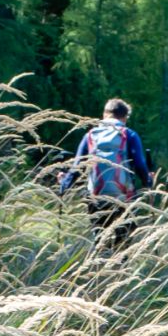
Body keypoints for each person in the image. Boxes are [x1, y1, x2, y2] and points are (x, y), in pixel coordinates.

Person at [59, 98, 152, 247]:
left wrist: (64, 184)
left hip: (96, 198)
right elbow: (140, 165)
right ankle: (121, 260)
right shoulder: (129, 135)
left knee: (100, 241)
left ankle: (99, 259)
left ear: (104, 114)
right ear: (125, 117)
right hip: (124, 198)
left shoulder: (90, 136)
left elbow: (76, 168)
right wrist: (148, 181)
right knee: (123, 244)